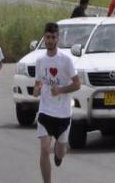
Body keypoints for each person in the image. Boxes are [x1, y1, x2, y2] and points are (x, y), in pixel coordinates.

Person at [33, 22, 80, 183]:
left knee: (60, 151)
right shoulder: (40, 60)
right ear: (44, 38)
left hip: (63, 113)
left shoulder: (66, 60)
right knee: (45, 150)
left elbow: (77, 84)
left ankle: (59, 156)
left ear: (57, 38)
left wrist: (59, 90)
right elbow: (38, 82)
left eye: (53, 37)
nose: (50, 40)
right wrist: (36, 89)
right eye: (48, 37)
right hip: (46, 111)